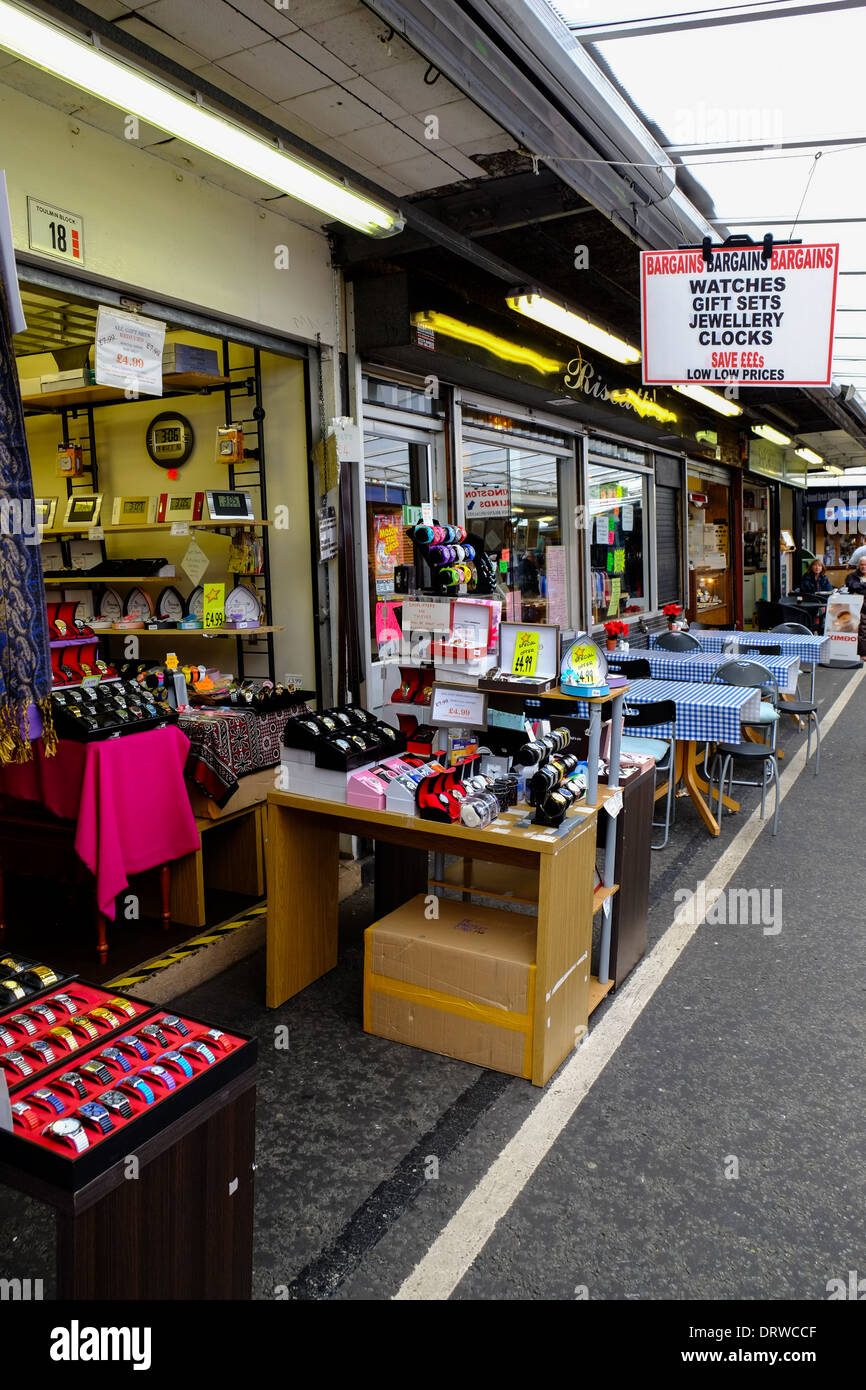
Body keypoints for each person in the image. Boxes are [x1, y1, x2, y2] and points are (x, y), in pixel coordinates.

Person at [844, 555, 866, 659]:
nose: (864, 566)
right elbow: (852, 586)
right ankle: (863, 654)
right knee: (861, 629)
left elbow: (858, 587)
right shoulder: (851, 576)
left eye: (865, 565)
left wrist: (861, 585)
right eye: (862, 564)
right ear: (858, 565)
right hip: (858, 606)